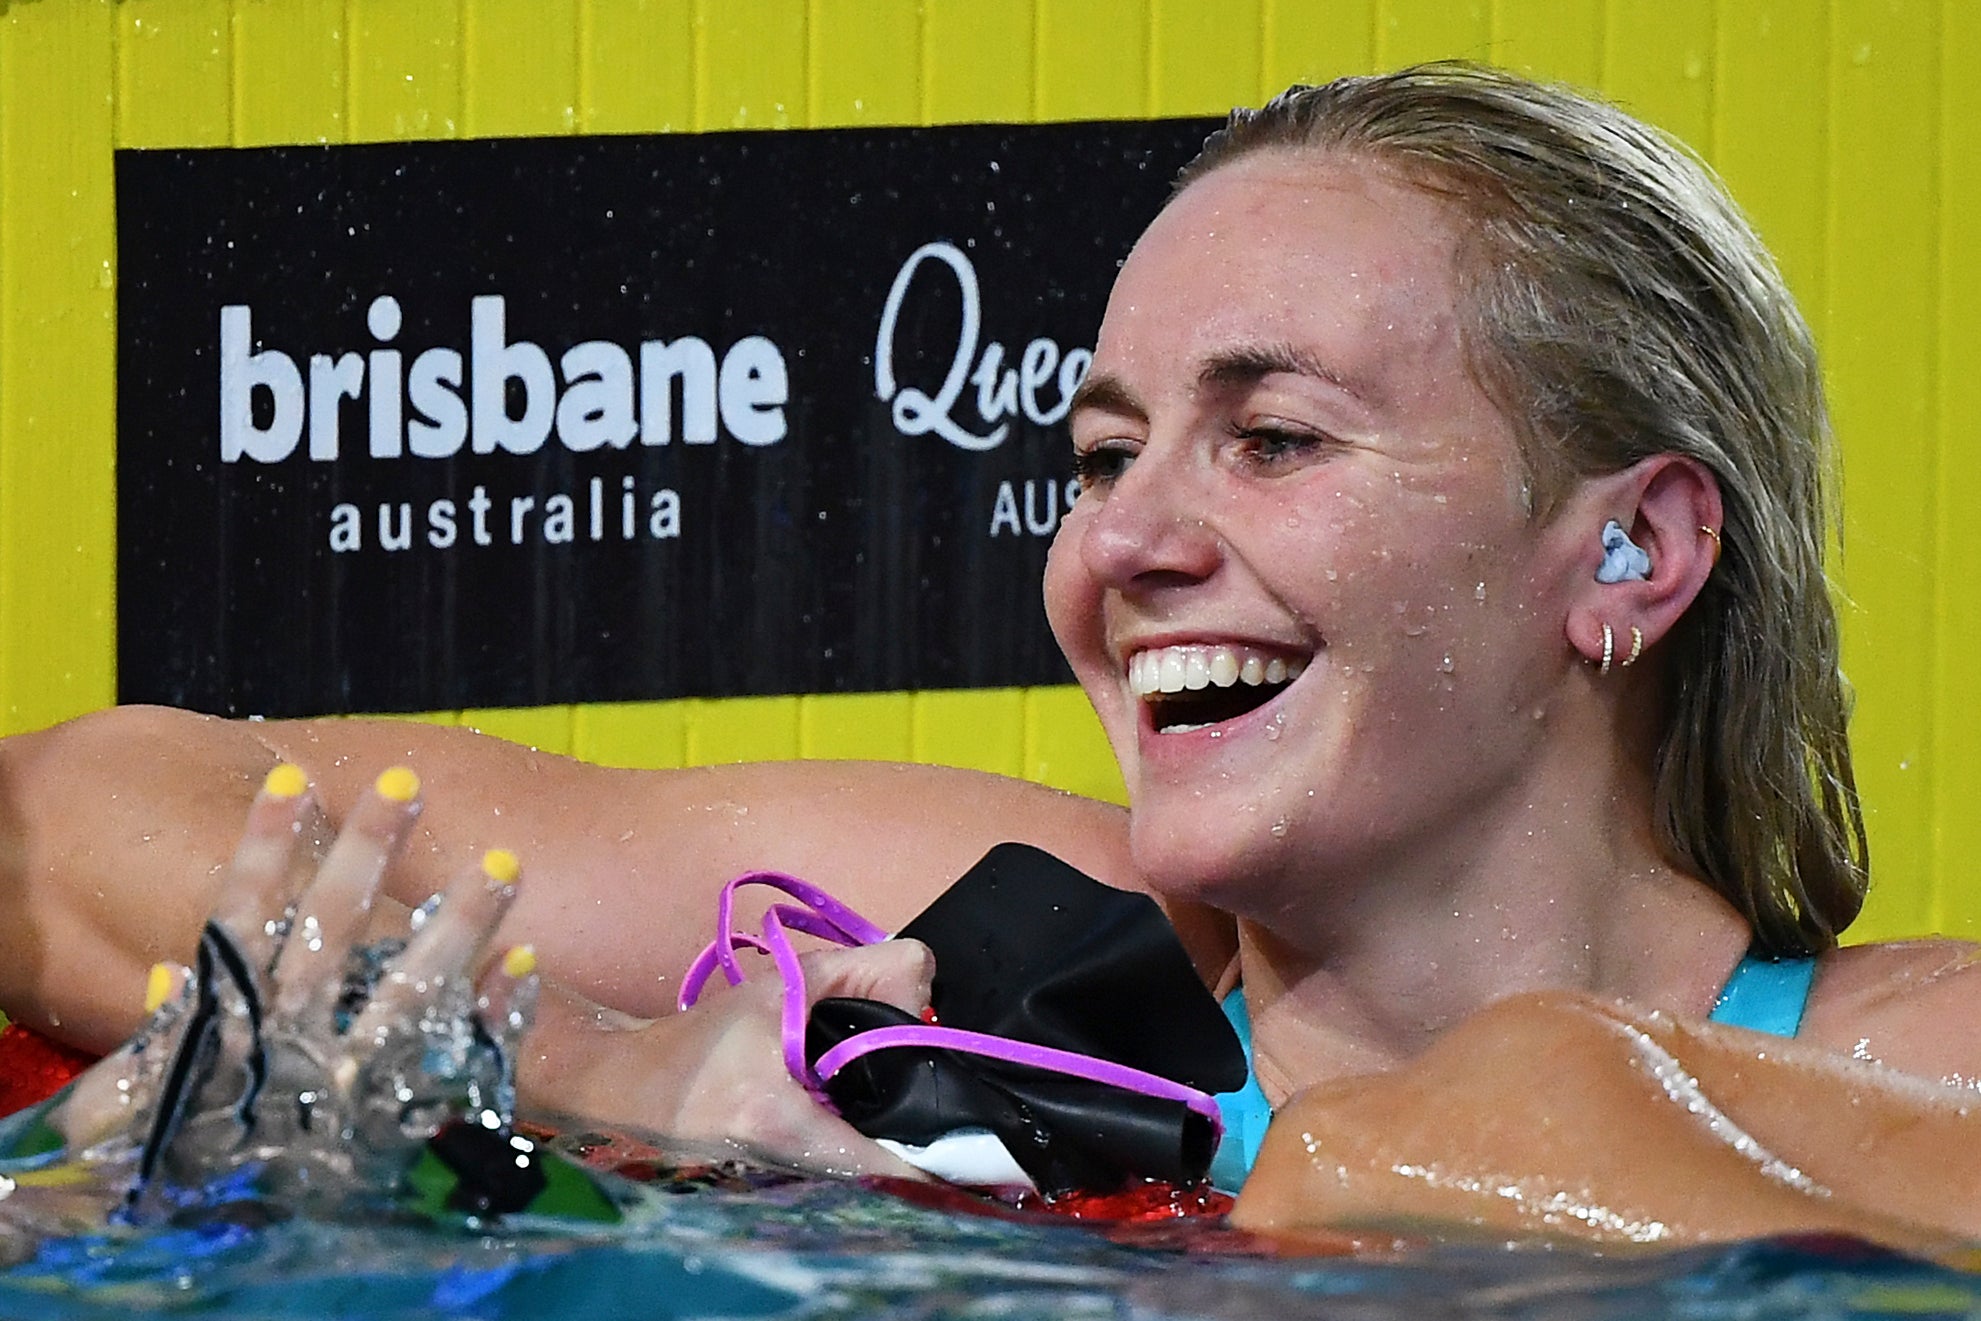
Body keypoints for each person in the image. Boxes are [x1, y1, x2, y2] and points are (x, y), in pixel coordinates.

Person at [1, 63, 1977, 1248]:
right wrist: (615, 1073)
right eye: (1104, 453)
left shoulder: (1902, 1057)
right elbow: (67, 823)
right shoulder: (975, 954)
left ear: (1628, 543)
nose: (1121, 543)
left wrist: (1392, 1141)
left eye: (1272, 437)